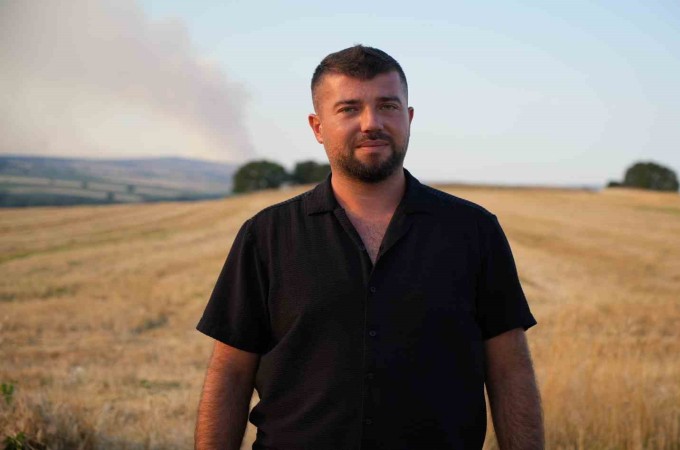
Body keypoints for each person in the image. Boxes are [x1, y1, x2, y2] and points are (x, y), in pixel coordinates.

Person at [195, 45, 543, 450]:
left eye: (387, 106)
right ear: (317, 127)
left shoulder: (474, 231)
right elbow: (231, 373)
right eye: (349, 109)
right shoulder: (266, 237)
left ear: (408, 118)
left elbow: (509, 369)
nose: (371, 123)